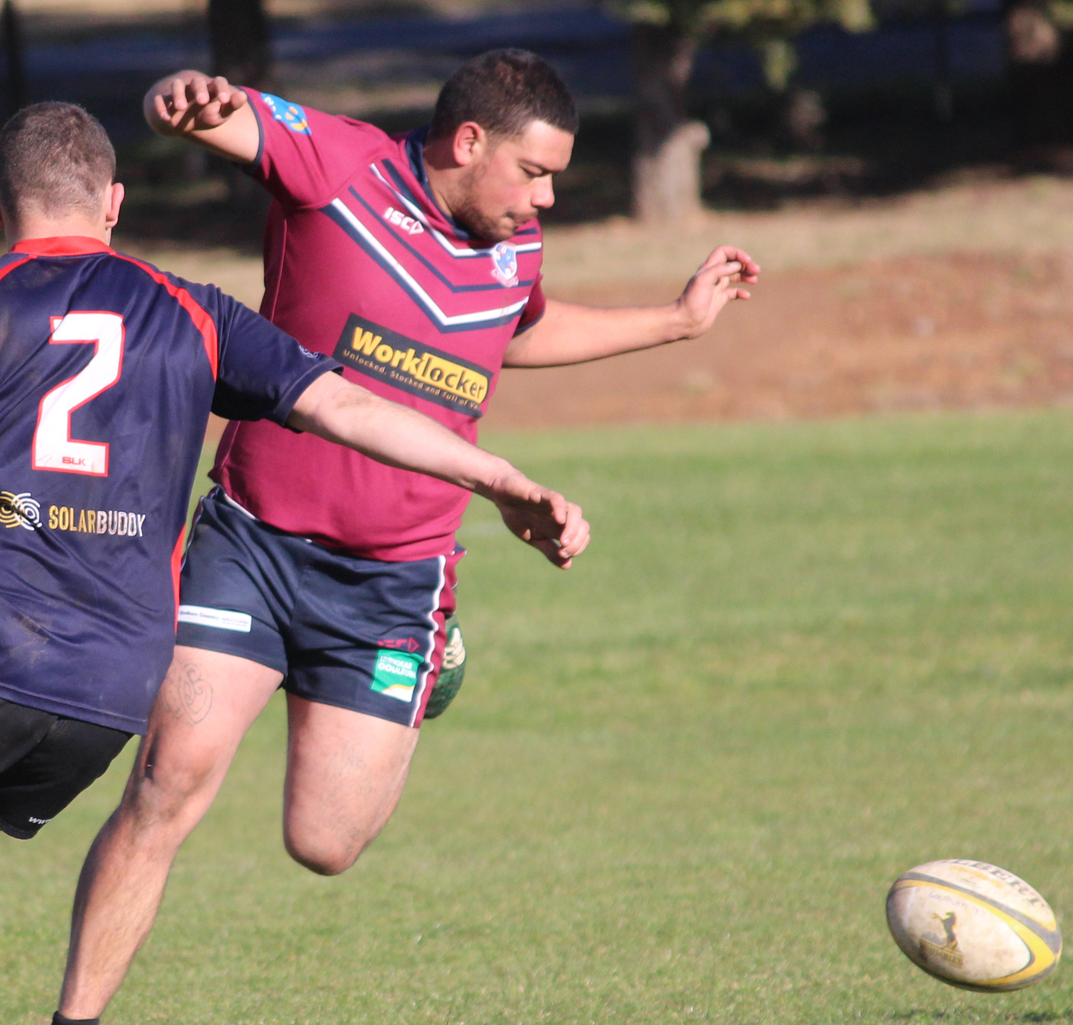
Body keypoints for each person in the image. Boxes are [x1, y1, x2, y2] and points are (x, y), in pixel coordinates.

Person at [0, 101, 587, 1024]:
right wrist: (496, 477)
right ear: (114, 202)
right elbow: (348, 407)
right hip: (108, 695)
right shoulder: (196, 312)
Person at [53, 49, 756, 1023]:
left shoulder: (515, 245)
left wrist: (675, 322)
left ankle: (427, 660)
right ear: (468, 141)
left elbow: (515, 330)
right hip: (253, 544)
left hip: (394, 583)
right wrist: (177, 97)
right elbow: (212, 113)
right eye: (534, 171)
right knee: (168, 782)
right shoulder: (339, 165)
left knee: (325, 841)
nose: (546, 198)